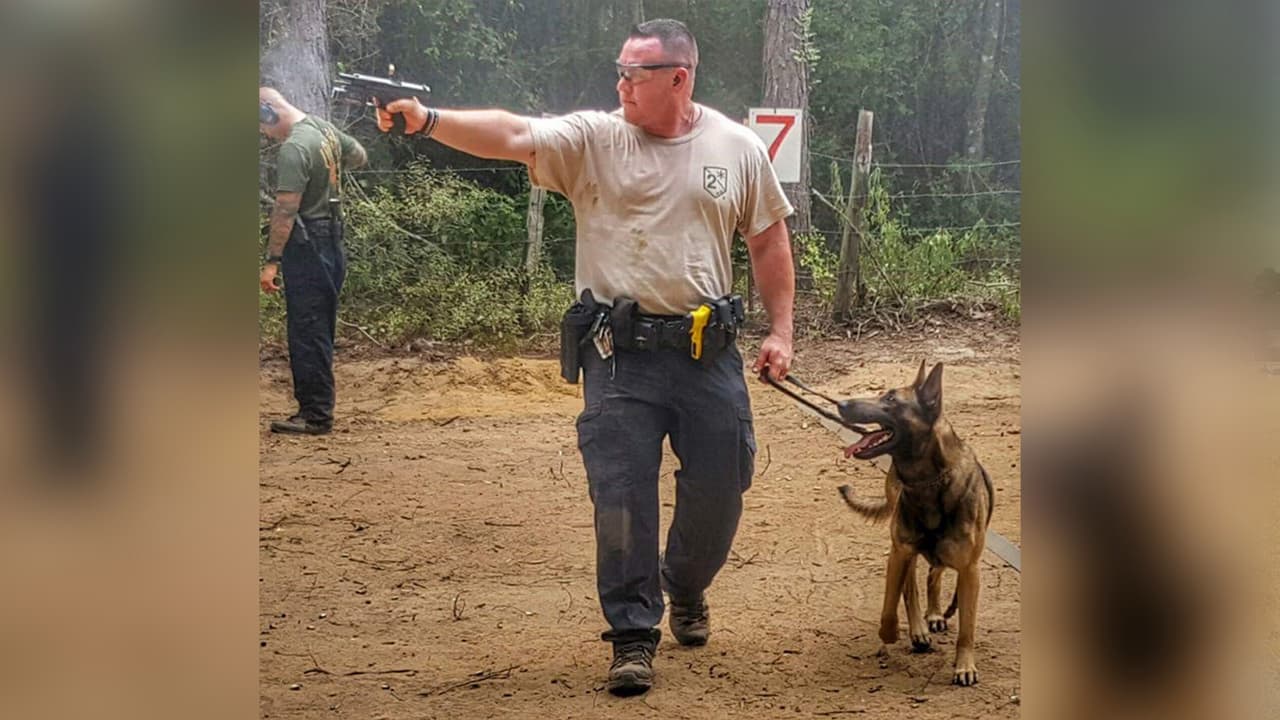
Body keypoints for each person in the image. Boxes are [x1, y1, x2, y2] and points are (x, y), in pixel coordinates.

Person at [375, 18, 795, 696]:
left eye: (635, 74)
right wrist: (427, 120)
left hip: (707, 354)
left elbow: (769, 239)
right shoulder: (595, 141)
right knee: (621, 498)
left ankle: (684, 584)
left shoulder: (736, 147)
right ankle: (632, 636)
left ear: (679, 79)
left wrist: (782, 331)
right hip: (619, 355)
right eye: (619, 72)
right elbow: (512, 134)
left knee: (722, 489)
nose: (621, 84)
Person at [259, 87, 367, 435]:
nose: (264, 134)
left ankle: (315, 415)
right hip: (333, 238)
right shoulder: (322, 129)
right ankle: (317, 408)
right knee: (319, 325)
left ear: (268, 112)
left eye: (261, 125)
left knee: (307, 328)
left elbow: (286, 210)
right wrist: (328, 175)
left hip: (308, 244)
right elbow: (360, 156)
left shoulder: (293, 147)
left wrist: (272, 260)